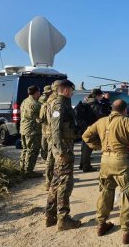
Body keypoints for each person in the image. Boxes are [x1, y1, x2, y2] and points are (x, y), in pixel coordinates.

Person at [82, 100, 129, 244]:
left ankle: (101, 224)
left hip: (105, 161)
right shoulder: (126, 121)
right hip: (121, 161)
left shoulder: (101, 121)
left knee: (106, 191)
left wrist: (99, 147)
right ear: (124, 110)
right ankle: (128, 232)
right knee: (127, 193)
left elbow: (85, 136)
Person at [45, 80, 81, 231]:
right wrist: (61, 151)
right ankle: (63, 219)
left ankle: (50, 215)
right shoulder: (59, 105)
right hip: (63, 149)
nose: (72, 93)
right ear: (66, 90)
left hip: (63, 147)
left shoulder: (63, 103)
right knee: (65, 183)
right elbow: (55, 129)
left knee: (55, 181)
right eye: (71, 90)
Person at [79, 88, 107, 172]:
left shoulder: (87, 102)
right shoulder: (95, 105)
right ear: (97, 96)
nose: (102, 97)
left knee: (84, 147)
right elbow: (101, 117)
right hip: (92, 128)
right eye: (101, 95)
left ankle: (82, 164)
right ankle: (86, 166)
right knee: (88, 148)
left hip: (85, 127)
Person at [19, 85, 42, 178]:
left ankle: (22, 168)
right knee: (32, 150)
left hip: (24, 129)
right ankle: (28, 171)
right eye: (39, 92)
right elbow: (42, 116)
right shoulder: (36, 104)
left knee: (25, 149)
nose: (40, 94)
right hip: (32, 130)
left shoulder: (25, 101)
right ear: (36, 92)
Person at [43, 80, 62, 191]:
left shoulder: (50, 99)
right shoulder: (55, 100)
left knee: (51, 157)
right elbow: (55, 121)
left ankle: (49, 181)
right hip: (53, 132)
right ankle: (49, 182)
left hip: (49, 131)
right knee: (52, 157)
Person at [39, 85, 53, 161]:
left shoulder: (43, 99)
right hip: (46, 123)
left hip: (44, 124)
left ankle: (44, 156)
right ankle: (46, 157)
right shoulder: (45, 99)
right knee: (46, 141)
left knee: (44, 140)